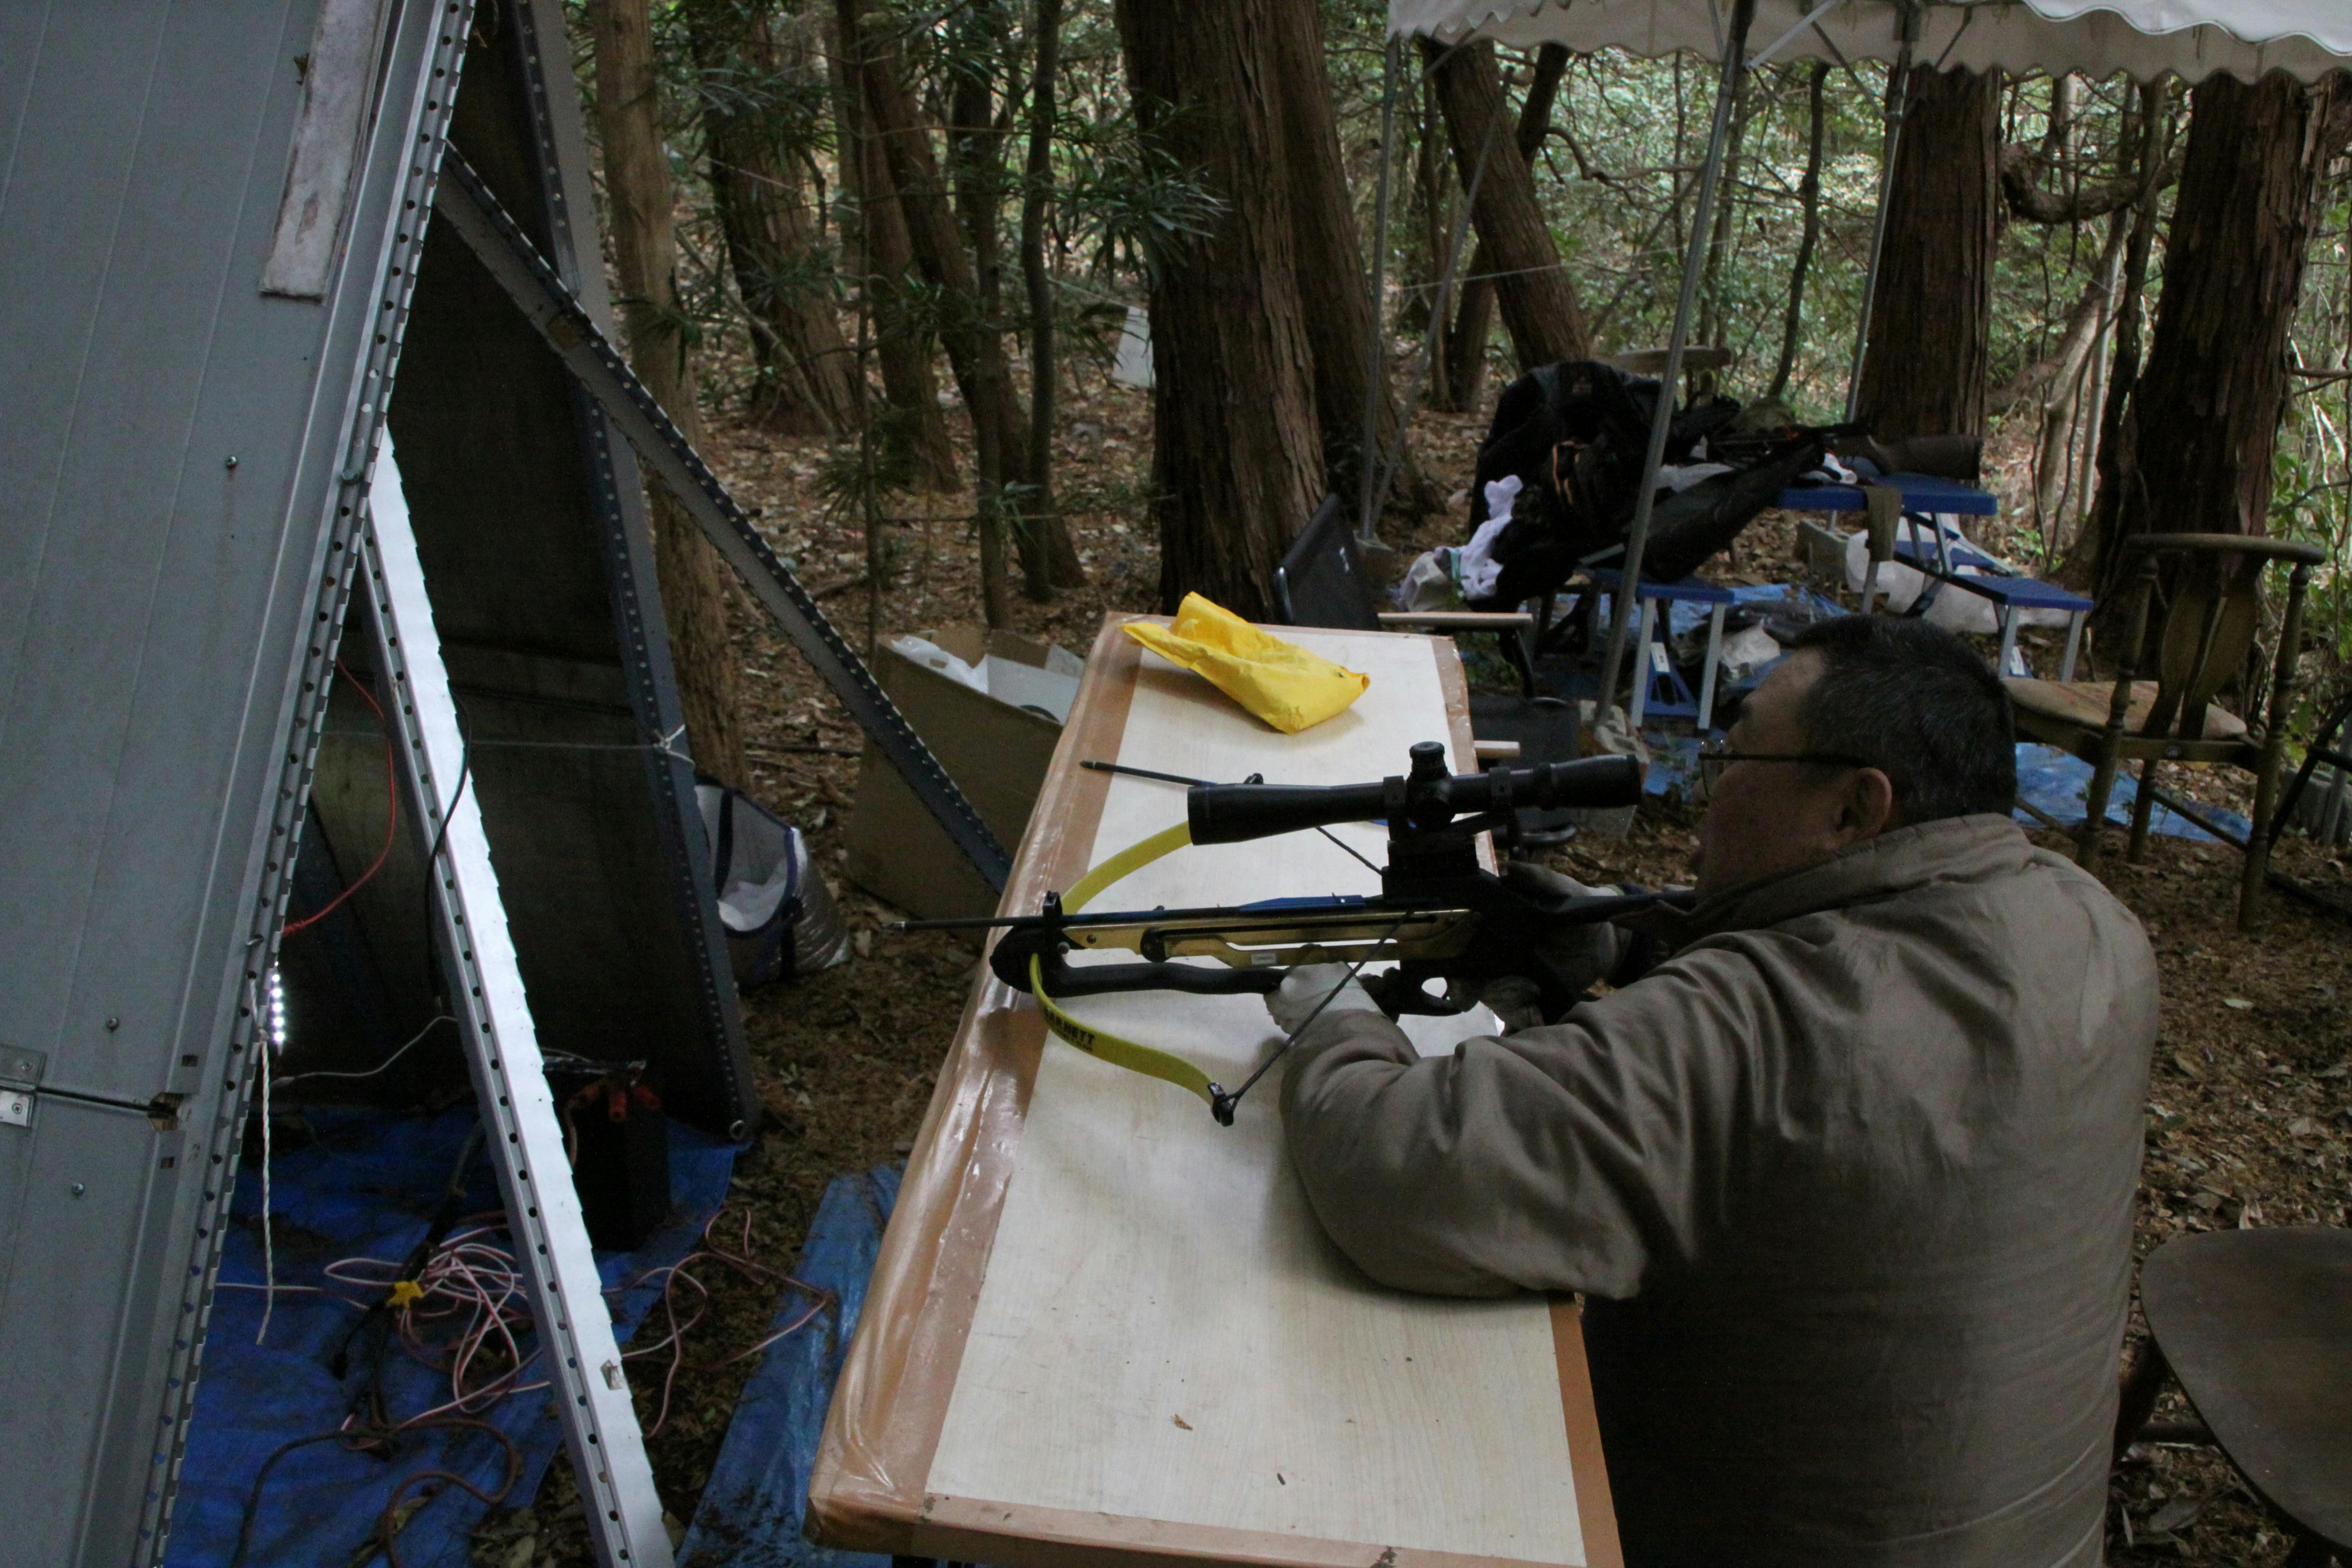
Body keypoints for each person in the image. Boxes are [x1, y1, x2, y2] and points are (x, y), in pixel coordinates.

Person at [1270, 615, 2157, 1568]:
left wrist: (1337, 1019)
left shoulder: (1745, 1030)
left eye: (1733, 760)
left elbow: (1397, 1171)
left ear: (1854, 809)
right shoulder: (2097, 928)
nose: (1708, 793)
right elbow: (1867, 990)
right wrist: (1629, 943)